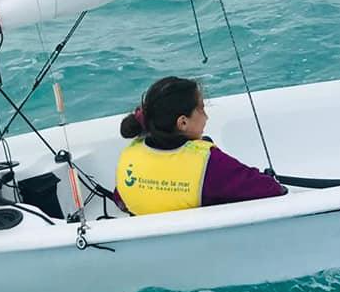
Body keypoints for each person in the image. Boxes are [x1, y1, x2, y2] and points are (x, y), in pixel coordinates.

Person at [116, 77, 285, 215]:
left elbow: (121, 198)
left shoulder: (132, 154)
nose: (206, 117)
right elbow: (272, 189)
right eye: (202, 109)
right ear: (183, 123)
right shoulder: (209, 164)